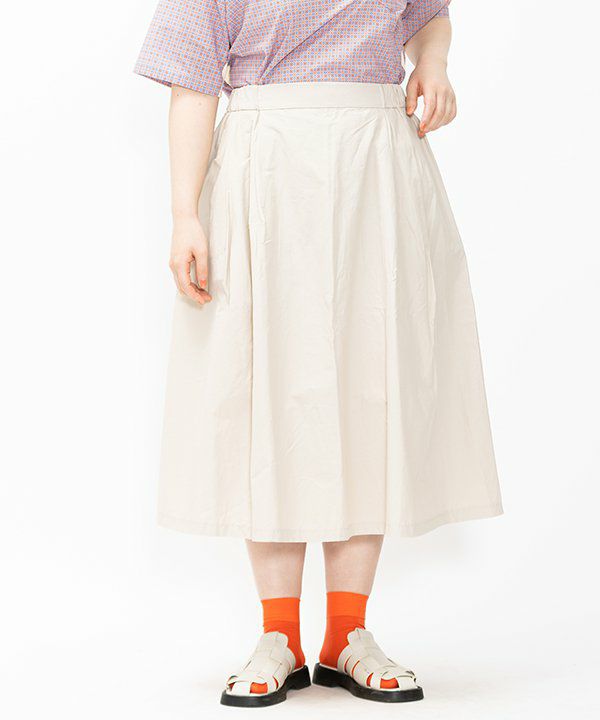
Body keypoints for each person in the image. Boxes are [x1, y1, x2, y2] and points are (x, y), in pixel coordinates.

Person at [134, 0, 502, 707]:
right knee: (265, 390)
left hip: (376, 164)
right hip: (264, 168)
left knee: (371, 385)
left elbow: (429, 14)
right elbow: (192, 81)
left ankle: (345, 633)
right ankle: (279, 635)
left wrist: (431, 61)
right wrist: (183, 215)